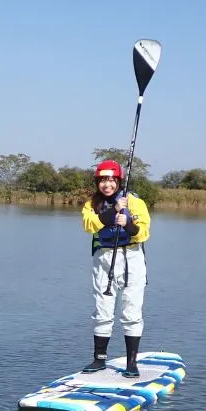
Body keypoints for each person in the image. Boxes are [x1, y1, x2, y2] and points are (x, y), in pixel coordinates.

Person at [81, 159, 151, 377]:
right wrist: (110, 214)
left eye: (111, 180)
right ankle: (99, 359)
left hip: (131, 258)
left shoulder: (135, 202)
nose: (107, 185)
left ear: (119, 181)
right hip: (104, 257)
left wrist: (128, 223)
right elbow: (88, 224)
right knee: (102, 310)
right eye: (102, 180)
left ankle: (131, 363)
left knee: (131, 310)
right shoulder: (91, 203)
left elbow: (144, 232)